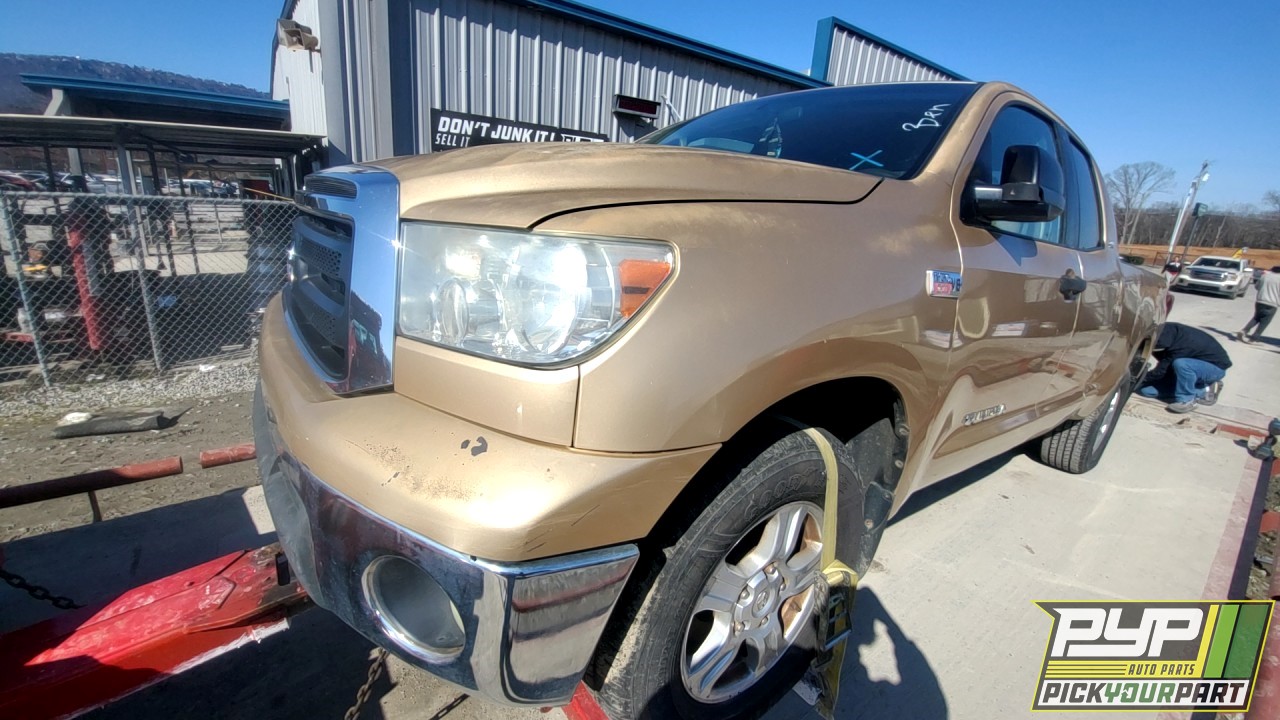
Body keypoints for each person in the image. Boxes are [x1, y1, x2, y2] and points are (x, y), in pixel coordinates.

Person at [1137, 322, 1232, 413]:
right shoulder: (1164, 332)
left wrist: (1140, 379)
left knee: (1182, 364)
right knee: (1147, 391)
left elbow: (1162, 370)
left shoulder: (1181, 345)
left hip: (1215, 368)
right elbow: (1164, 366)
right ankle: (1201, 390)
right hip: (1189, 369)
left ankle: (1187, 400)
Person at [1238, 266, 1280, 344]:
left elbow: (1257, 286)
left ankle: (1244, 330)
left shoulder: (1264, 276)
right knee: (1265, 322)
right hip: (1273, 304)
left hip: (1260, 301)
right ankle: (1254, 338)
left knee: (1256, 317)